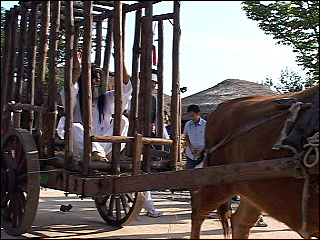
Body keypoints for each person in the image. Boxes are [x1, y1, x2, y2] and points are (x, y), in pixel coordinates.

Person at [57, 52, 132, 161]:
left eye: (98, 79)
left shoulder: (107, 98)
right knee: (75, 127)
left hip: (103, 144)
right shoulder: (76, 98)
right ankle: (96, 153)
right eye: (92, 78)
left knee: (123, 120)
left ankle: (99, 153)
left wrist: (121, 63)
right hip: (82, 148)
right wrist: (78, 70)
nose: (96, 82)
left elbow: (126, 89)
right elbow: (69, 89)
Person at [183, 104, 206, 170]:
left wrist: (201, 150)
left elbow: (209, 139)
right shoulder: (187, 125)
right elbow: (186, 137)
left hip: (202, 154)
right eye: (189, 116)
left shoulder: (205, 125)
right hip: (190, 154)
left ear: (198, 114)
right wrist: (191, 147)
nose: (191, 118)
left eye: (192, 115)